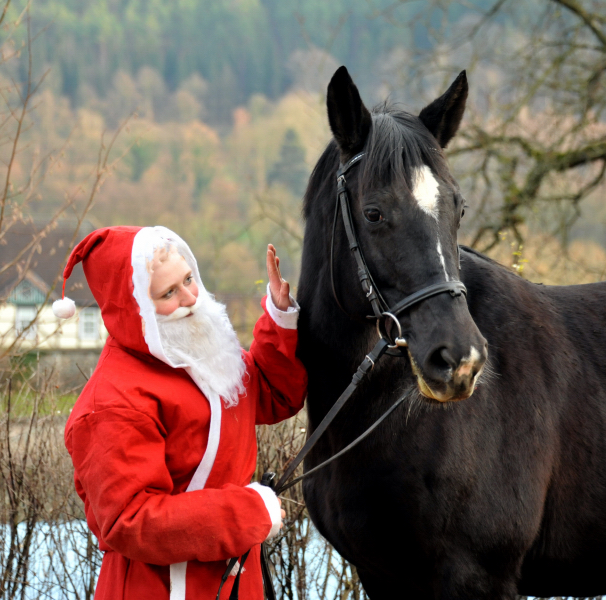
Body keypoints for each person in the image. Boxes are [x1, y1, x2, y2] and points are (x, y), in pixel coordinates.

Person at [56, 226, 307, 600]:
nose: (191, 297)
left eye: (189, 279)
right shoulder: (112, 402)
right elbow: (131, 520)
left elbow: (272, 395)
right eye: (168, 293)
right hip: (157, 588)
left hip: (235, 577)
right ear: (134, 308)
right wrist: (246, 512)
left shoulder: (194, 353)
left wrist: (278, 315)